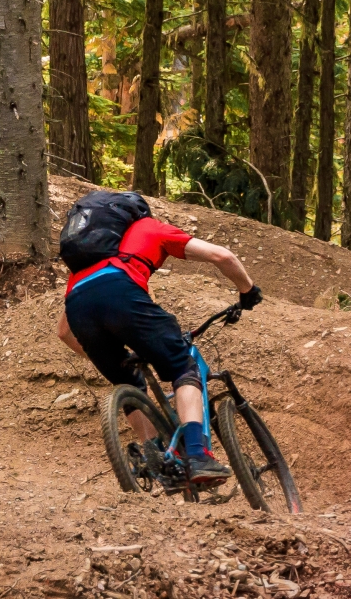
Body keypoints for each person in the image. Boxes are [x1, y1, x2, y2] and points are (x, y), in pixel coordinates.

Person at [55, 194, 261, 484]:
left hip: (79, 308)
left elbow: (63, 332)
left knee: (128, 382)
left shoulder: (90, 261)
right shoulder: (150, 228)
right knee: (182, 368)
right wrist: (247, 290)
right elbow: (222, 256)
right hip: (122, 294)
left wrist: (115, 358)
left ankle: (153, 454)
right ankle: (197, 455)